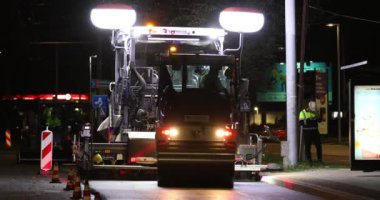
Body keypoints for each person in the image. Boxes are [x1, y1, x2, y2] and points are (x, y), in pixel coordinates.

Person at [299, 100, 323, 165]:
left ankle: (320, 159)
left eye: (314, 109)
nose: (313, 110)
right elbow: (301, 123)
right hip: (307, 132)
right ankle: (309, 160)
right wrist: (309, 119)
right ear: (308, 107)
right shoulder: (302, 113)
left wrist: (317, 114)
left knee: (318, 145)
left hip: (315, 131)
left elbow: (320, 120)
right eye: (312, 109)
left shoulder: (315, 112)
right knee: (307, 146)